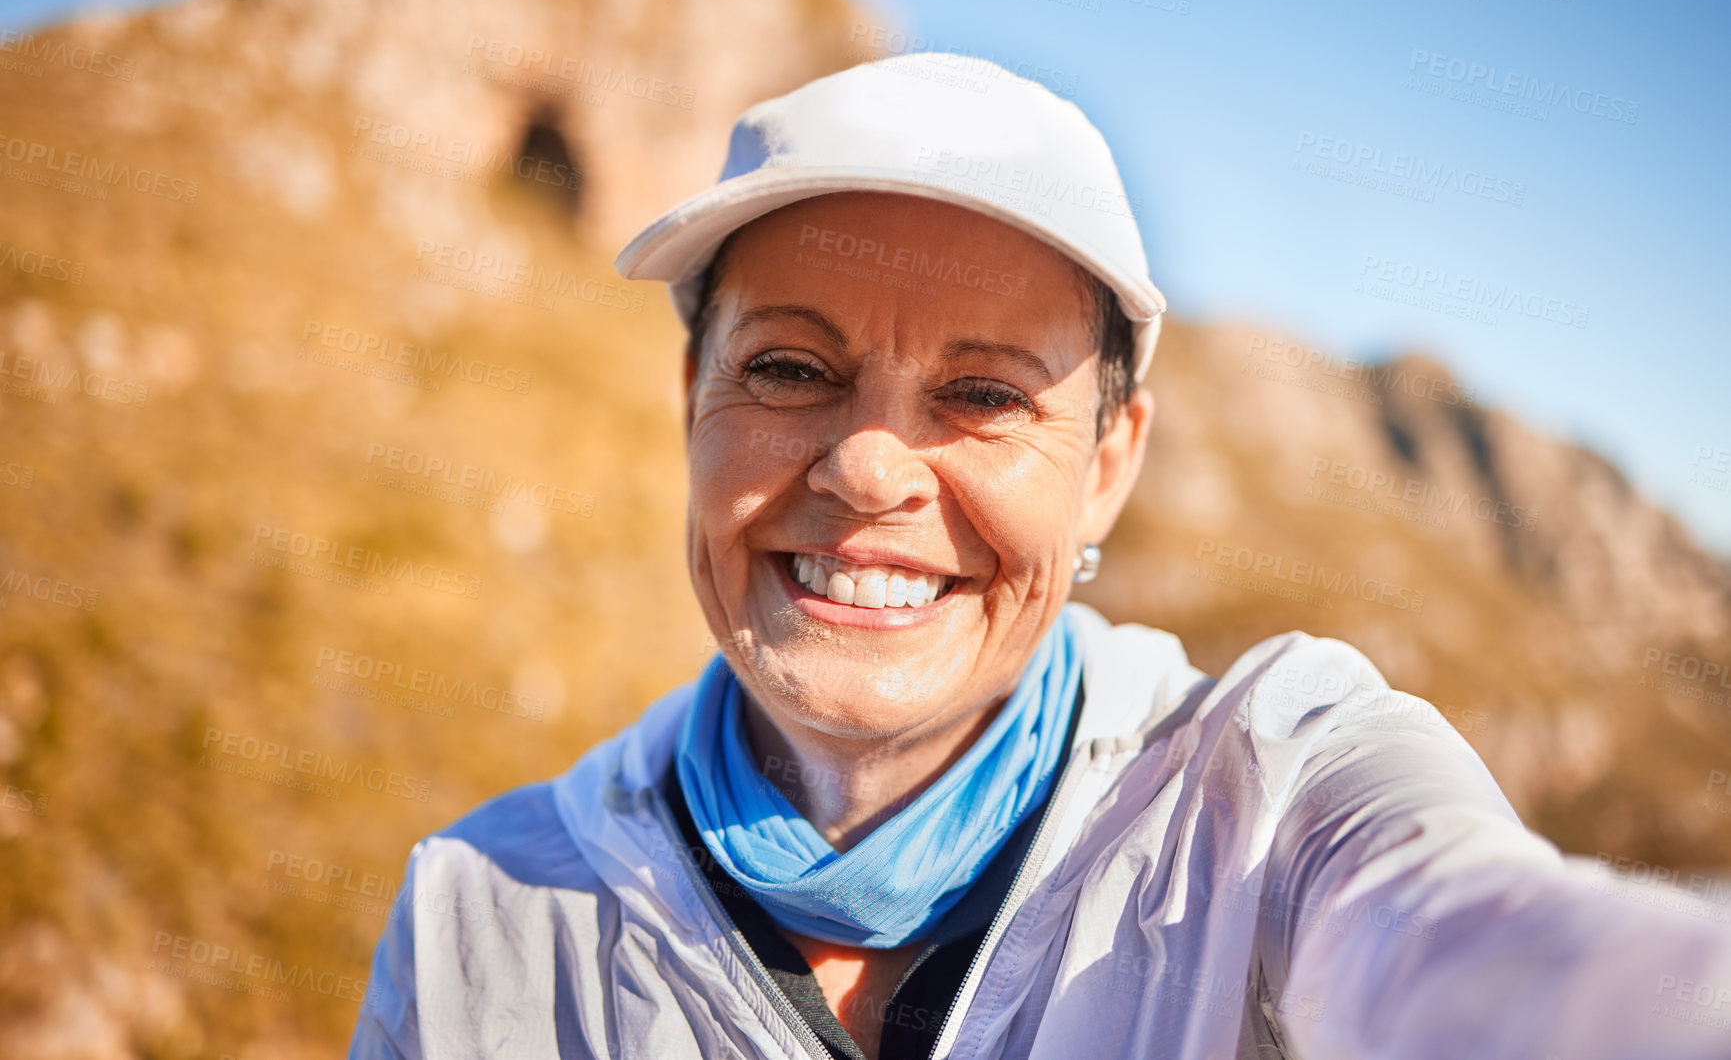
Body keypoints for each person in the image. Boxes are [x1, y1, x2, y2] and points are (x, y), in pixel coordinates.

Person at [349, 53, 1731, 1060]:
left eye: (986, 393)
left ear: (1110, 463)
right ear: (690, 409)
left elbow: (1487, 954)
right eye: (787, 368)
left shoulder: (1269, 797)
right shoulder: (480, 922)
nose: (868, 466)